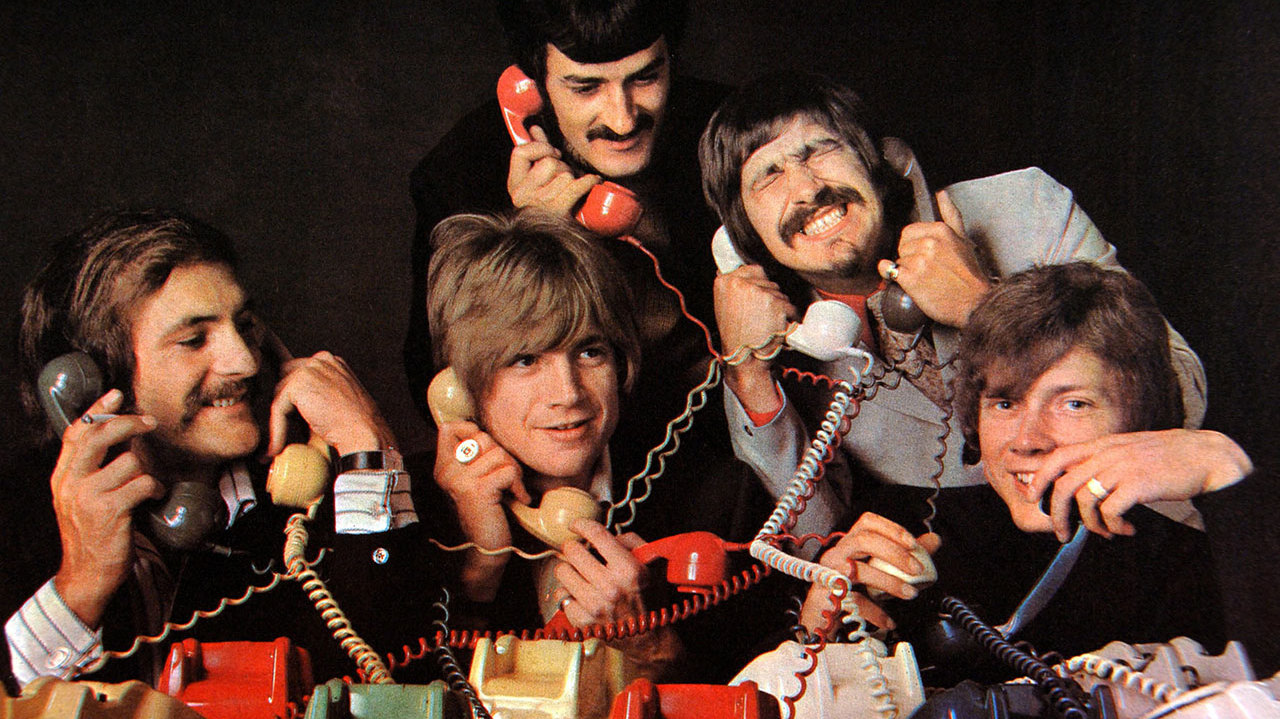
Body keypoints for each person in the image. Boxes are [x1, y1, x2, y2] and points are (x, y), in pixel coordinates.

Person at [698, 72, 1207, 539]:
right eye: (768, 176)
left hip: (1137, 526)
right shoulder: (794, 339)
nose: (807, 189)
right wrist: (749, 372)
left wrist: (986, 307)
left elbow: (1184, 394)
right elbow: (815, 538)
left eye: (819, 150)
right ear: (744, 236)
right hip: (972, 567)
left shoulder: (1025, 207)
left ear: (878, 161)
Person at [3, 209, 439, 690]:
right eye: (194, 340)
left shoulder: (309, 499)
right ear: (95, 380)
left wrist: (366, 449)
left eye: (245, 325)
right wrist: (80, 587)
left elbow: (404, 681)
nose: (246, 362)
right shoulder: (16, 520)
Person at [797, 263, 1278, 678]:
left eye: (1073, 403)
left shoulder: (1208, 562)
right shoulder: (900, 526)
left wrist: (1226, 471)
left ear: (1140, 419)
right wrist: (815, 633)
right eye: (1004, 403)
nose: (1026, 440)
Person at [420, 209, 782, 683]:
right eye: (525, 360)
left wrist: (652, 650)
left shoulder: (719, 498)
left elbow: (771, 693)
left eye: (590, 351)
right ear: (461, 387)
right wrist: (480, 570)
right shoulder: (416, 518)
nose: (568, 393)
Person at [405, 0, 731, 481]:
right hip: (587, 471)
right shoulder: (462, 173)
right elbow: (438, 386)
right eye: (585, 87)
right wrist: (528, 242)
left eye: (645, 78)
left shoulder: (730, 128)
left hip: (733, 449)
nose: (622, 120)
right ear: (531, 84)